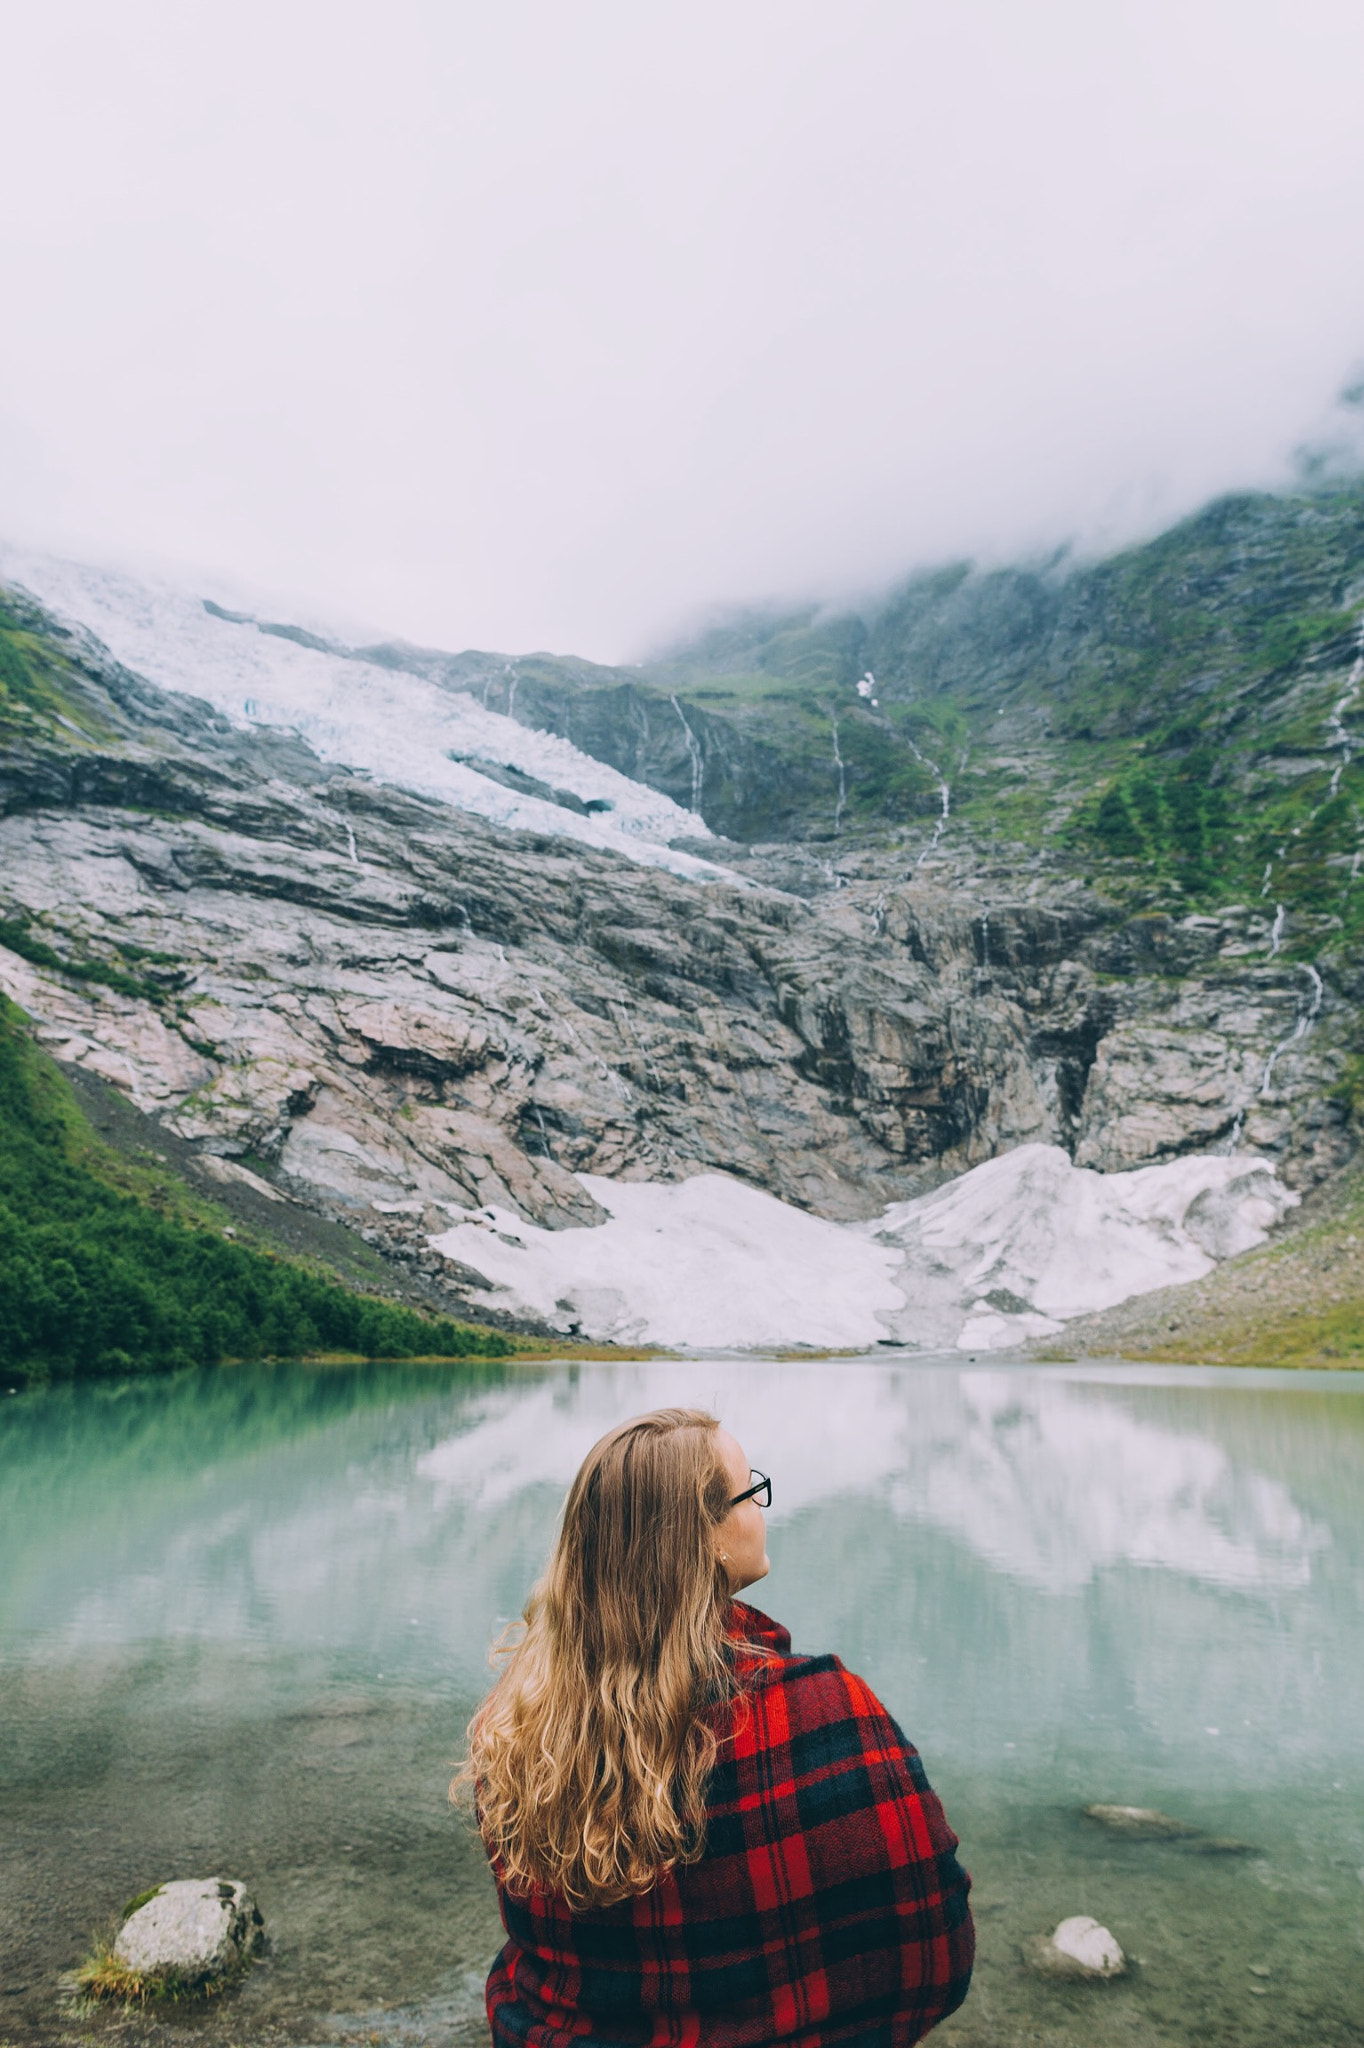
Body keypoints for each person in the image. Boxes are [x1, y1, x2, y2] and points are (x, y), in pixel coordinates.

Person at [458, 1406, 973, 2046]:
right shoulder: (822, 1712)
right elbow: (935, 1950)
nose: (762, 1507)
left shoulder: (516, 1728)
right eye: (749, 1492)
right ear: (702, 1535)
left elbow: (537, 1950)